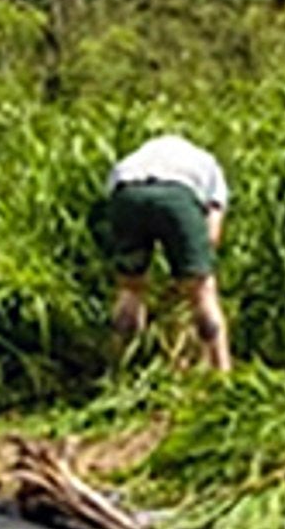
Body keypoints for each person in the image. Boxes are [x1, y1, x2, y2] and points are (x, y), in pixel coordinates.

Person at [96, 129, 233, 372]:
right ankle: (221, 372)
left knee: (130, 287)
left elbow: (113, 200)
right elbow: (211, 235)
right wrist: (187, 279)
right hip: (177, 195)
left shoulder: (133, 158)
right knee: (202, 290)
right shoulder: (208, 165)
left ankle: (117, 366)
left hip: (127, 195)